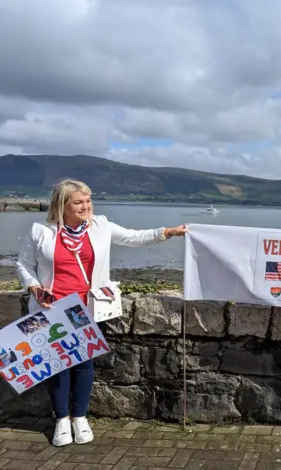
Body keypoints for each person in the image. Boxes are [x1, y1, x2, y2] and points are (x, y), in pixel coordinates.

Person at [15, 178, 187, 447]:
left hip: (86, 308)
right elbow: (24, 265)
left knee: (84, 364)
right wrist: (35, 288)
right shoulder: (40, 231)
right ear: (62, 205)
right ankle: (61, 420)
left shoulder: (101, 226)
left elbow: (132, 237)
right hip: (51, 309)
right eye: (78, 202)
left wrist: (167, 232)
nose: (86, 207)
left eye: (88, 201)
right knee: (56, 366)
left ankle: (80, 417)